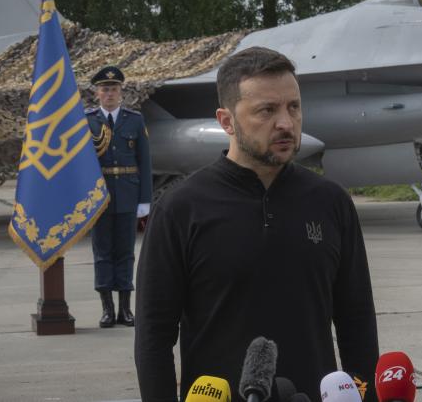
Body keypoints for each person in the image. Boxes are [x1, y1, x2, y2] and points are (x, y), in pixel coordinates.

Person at [134, 47, 379, 401]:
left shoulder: (331, 202)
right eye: (267, 110)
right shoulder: (180, 209)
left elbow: (357, 324)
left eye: (293, 107)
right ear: (226, 121)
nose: (285, 122)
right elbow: (153, 337)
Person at [86, 65, 152, 328]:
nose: (109, 93)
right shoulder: (87, 120)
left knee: (125, 252)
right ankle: (107, 309)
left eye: (113, 89)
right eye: (105, 89)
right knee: (102, 252)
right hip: (99, 195)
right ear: (97, 93)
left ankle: (125, 309)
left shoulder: (134, 120)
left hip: (127, 193)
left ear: (121, 92)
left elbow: (144, 161)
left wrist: (145, 199)